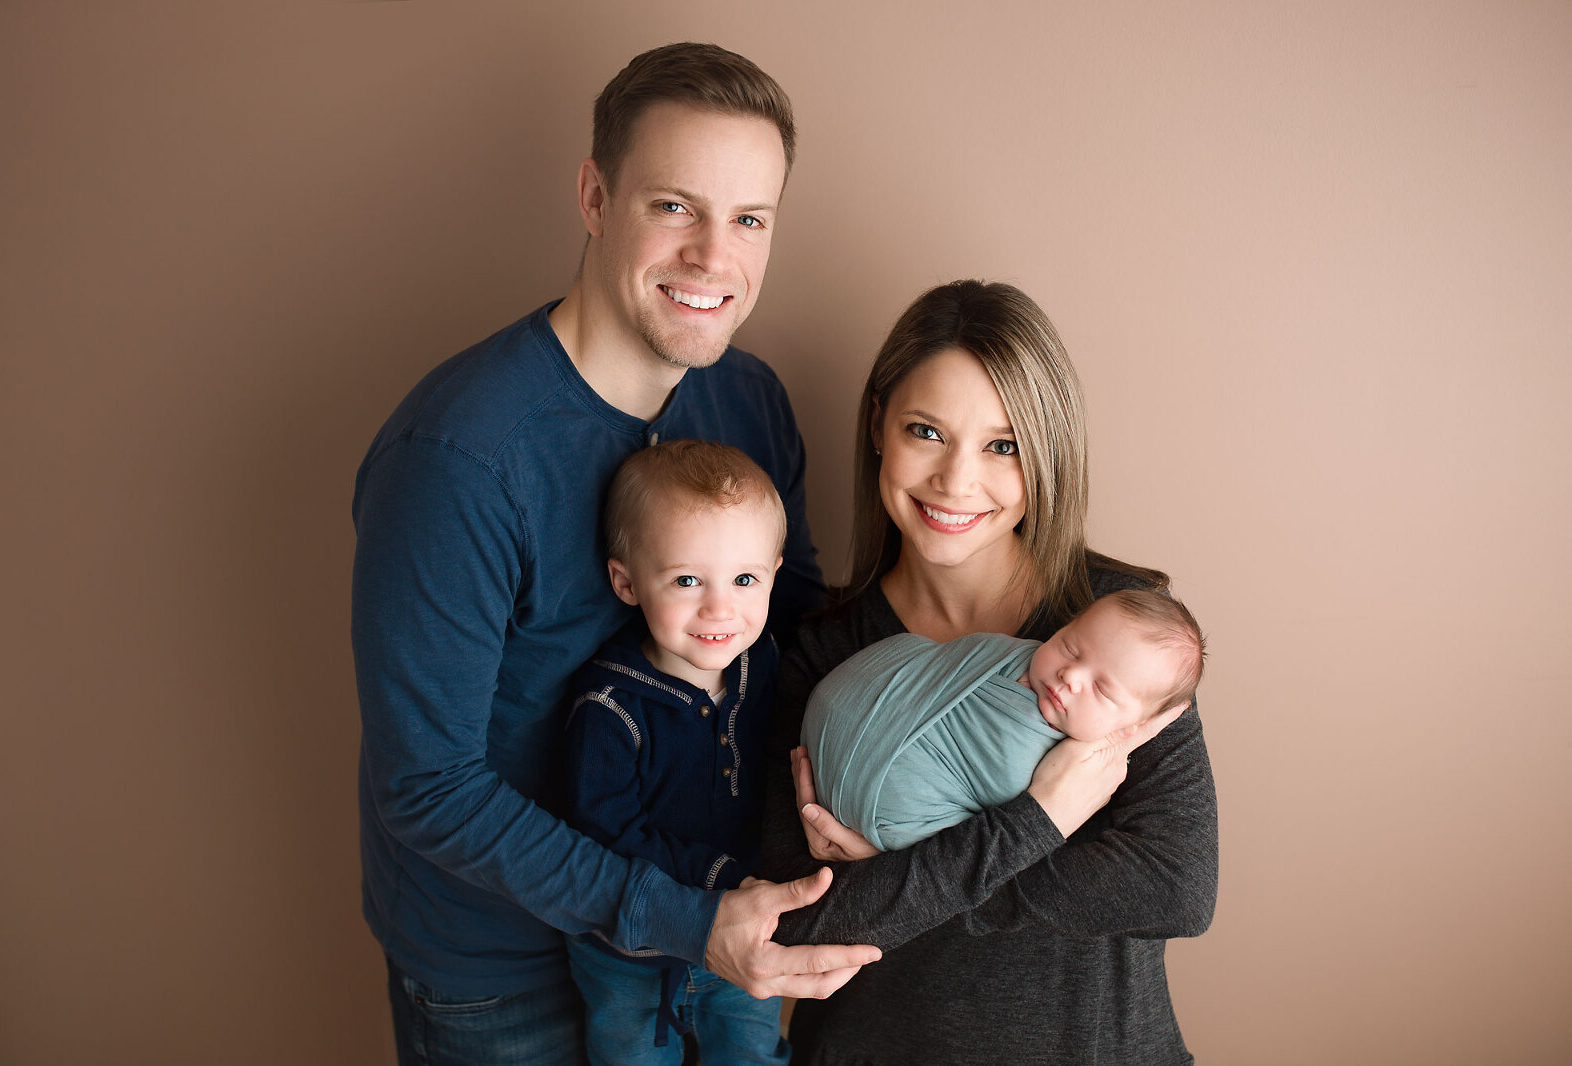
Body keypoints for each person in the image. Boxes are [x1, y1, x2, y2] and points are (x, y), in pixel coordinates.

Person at [350, 43, 879, 1066]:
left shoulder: (747, 400)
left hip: (709, 928)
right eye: (674, 207)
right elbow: (426, 785)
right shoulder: (459, 459)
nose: (712, 259)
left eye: (748, 219)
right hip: (503, 975)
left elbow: (793, 628)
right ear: (595, 196)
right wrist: (681, 917)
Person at [759, 279, 1219, 1065]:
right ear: (878, 425)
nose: (956, 480)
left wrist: (906, 873)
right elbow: (800, 923)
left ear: (1044, 455)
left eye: (1002, 446)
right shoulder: (818, 650)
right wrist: (1038, 820)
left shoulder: (1118, 629)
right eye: (926, 431)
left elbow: (1174, 886)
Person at [562, 440, 792, 1065]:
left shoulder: (766, 667)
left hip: (745, 935)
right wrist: (720, 877)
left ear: (774, 569)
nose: (720, 608)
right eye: (687, 580)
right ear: (626, 582)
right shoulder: (610, 705)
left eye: (745, 580)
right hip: (627, 956)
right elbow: (605, 830)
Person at [803, 588, 1205, 851]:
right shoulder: (1009, 655)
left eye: (1101, 689)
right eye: (1069, 647)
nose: (1071, 676)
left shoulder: (1084, 759)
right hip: (839, 722)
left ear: (1133, 727)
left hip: (881, 802)